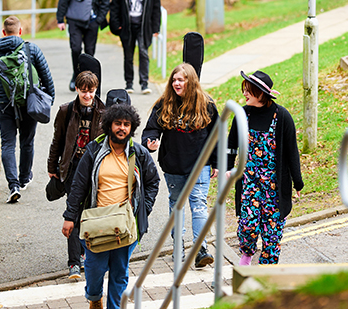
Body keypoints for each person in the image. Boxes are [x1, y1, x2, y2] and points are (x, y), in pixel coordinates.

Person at [62, 103, 160, 309]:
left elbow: (153, 181)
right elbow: (78, 185)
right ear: (109, 125)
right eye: (118, 123)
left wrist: (144, 208)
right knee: (93, 268)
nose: (122, 128)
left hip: (125, 223)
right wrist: (70, 216)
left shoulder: (139, 153)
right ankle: (94, 296)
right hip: (97, 221)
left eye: (126, 124)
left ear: (131, 128)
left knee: (119, 270)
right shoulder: (94, 150)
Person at [142, 63, 218, 268]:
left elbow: (216, 135)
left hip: (200, 164)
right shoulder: (164, 103)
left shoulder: (206, 104)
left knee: (199, 204)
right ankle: (178, 247)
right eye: (174, 79)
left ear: (191, 81)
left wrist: (217, 162)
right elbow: (151, 129)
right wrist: (151, 141)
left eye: (181, 79)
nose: (176, 83)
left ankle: (201, 248)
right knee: (177, 205)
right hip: (174, 165)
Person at [226, 70, 303, 265]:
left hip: (274, 188)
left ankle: (266, 274)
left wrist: (298, 182)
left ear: (260, 93)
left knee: (272, 235)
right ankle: (246, 255)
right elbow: (231, 144)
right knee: (247, 226)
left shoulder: (282, 116)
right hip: (249, 184)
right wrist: (226, 167)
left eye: (248, 90)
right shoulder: (242, 115)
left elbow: (291, 151)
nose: (244, 94)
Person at [0, 16, 55, 203]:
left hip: (4, 105)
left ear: (3, 33)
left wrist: (2, 91)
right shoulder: (31, 49)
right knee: (27, 141)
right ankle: (24, 178)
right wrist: (49, 100)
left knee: (7, 144)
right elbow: (47, 78)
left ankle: (13, 185)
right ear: (20, 31)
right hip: (28, 103)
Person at [47, 70, 105, 280]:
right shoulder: (66, 111)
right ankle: (74, 263)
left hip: (95, 169)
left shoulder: (104, 112)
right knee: (73, 212)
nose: (88, 96)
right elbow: (58, 141)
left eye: (91, 91)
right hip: (72, 168)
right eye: (83, 91)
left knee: (92, 211)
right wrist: (52, 167)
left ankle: (88, 254)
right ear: (77, 90)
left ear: (96, 90)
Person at [57, 0, 110, 92]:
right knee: (75, 48)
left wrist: (99, 19)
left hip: (92, 20)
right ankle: (76, 75)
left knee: (89, 52)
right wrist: (60, 19)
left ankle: (87, 80)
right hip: (75, 19)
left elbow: (106, 1)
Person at [109, 0, 161, 95]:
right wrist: (116, 24)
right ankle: (129, 84)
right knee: (128, 55)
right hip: (127, 26)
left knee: (144, 53)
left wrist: (156, 27)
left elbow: (156, 7)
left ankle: (144, 84)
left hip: (144, 26)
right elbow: (115, 6)